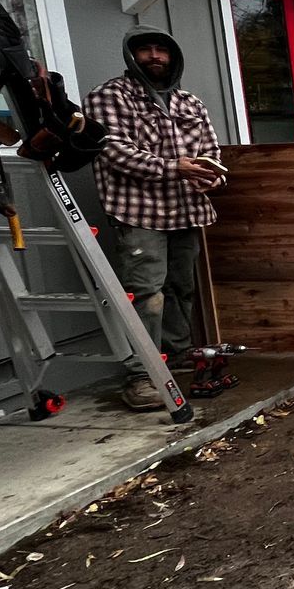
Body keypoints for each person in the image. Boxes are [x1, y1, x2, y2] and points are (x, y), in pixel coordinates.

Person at [85, 27, 224, 410]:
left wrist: (212, 174)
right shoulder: (108, 96)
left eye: (161, 50)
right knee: (146, 293)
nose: (154, 56)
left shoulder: (190, 102)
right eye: (145, 50)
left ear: (173, 56)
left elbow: (210, 149)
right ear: (132, 57)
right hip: (139, 211)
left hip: (186, 208)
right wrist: (173, 167)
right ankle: (140, 375)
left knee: (182, 287)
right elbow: (113, 150)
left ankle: (177, 354)